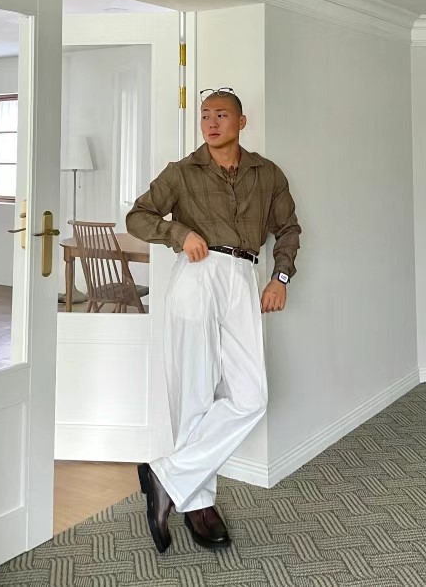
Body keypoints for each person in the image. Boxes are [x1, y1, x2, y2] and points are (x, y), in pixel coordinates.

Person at [126, 87, 301, 553]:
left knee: (251, 396)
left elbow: (288, 229)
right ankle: (199, 504)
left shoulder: (268, 173)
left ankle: (165, 477)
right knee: (194, 392)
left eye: (221, 115)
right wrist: (179, 233)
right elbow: (137, 216)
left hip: (244, 276)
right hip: (197, 275)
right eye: (205, 115)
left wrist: (280, 276)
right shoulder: (182, 172)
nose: (211, 122)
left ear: (242, 122)